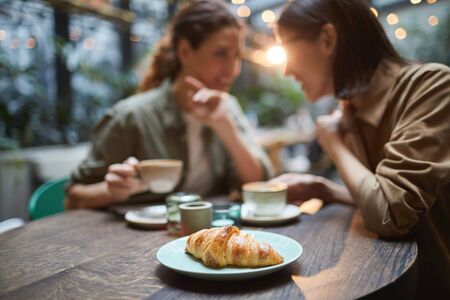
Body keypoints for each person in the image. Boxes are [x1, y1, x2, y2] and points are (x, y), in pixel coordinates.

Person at [270, 0, 449, 297]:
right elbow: (381, 197)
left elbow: (390, 214)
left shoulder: (431, 87)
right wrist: (325, 190)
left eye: (286, 47)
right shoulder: (353, 108)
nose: (286, 70)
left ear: (327, 39)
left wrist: (335, 145)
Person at [65, 0, 272, 209]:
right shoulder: (131, 117)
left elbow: (258, 184)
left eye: (237, 56)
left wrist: (225, 127)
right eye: (221, 54)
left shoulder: (228, 107)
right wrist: (110, 191)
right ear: (185, 51)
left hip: (207, 235)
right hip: (136, 237)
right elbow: (72, 198)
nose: (233, 69)